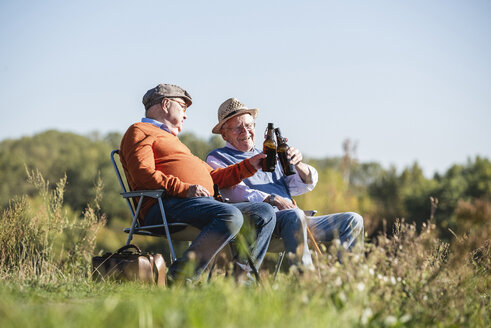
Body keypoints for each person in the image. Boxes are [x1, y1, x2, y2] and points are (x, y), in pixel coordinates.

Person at [119, 85, 276, 284]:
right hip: (164, 204)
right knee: (230, 215)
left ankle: (241, 283)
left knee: (264, 212)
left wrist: (249, 166)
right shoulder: (140, 131)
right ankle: (180, 277)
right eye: (183, 107)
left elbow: (214, 177)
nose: (185, 115)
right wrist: (184, 188)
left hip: (197, 204)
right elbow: (143, 173)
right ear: (166, 104)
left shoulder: (174, 142)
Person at [206, 98, 364, 268]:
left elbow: (303, 185)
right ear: (224, 134)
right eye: (238, 127)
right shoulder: (217, 157)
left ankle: (349, 280)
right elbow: (234, 192)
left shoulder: (268, 154)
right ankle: (307, 279)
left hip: (294, 219)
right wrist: (273, 199)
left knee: (353, 220)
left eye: (249, 125)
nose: (245, 131)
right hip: (260, 222)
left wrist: (297, 164)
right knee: (294, 215)